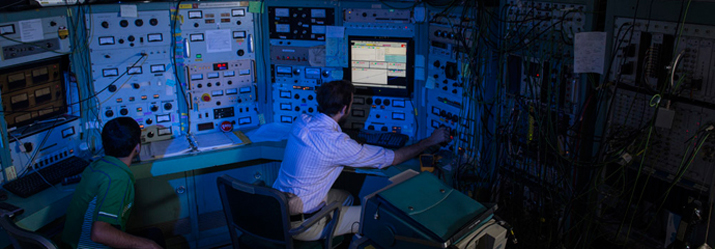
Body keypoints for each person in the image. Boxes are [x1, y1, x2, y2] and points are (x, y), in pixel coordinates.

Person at [273, 80, 450, 241]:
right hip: (302, 226)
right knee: (375, 217)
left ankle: (338, 241)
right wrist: (430, 141)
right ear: (345, 109)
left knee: (347, 198)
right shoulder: (338, 145)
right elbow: (393, 158)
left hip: (277, 208)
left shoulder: (302, 121)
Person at [62, 117, 162, 249]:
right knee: (152, 242)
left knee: (155, 234)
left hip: (71, 244)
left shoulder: (97, 165)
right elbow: (99, 233)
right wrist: (150, 246)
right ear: (137, 147)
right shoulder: (117, 178)